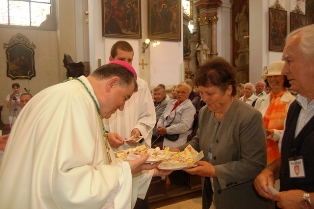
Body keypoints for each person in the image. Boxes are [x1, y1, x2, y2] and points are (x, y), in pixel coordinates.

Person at [0, 61, 171, 209]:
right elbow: (67, 185)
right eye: (125, 98)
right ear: (112, 84)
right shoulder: (73, 103)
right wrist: (126, 170)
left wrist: (147, 172)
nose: (121, 107)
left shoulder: (78, 98)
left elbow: (95, 163)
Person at [172, 57, 272, 209]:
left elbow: (254, 164)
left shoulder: (249, 117)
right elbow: (199, 141)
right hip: (213, 194)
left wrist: (214, 170)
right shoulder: (206, 112)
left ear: (229, 89)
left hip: (241, 199)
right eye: (201, 93)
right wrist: (176, 152)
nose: (205, 99)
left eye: (210, 93)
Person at [254, 24, 314, 209]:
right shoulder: (298, 106)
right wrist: (271, 170)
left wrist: (307, 200)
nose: (284, 71)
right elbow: (291, 155)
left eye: (289, 61)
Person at [104, 41, 156, 150]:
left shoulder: (141, 85)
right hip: (107, 148)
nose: (126, 64)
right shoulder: (102, 84)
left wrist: (139, 130)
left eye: (129, 60)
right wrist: (105, 136)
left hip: (133, 150)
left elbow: (148, 115)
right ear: (111, 59)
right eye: (121, 59)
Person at [255, 61, 295, 165]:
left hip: (282, 154)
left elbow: (294, 132)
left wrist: (274, 134)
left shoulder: (292, 102)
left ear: (284, 77)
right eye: (270, 76)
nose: (272, 79)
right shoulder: (261, 100)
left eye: (276, 76)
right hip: (259, 152)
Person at [156, 82, 196, 148]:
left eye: (183, 92)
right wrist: (159, 127)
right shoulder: (171, 102)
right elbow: (162, 117)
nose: (180, 94)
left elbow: (184, 126)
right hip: (163, 134)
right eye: (178, 92)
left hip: (178, 139)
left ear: (188, 94)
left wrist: (166, 130)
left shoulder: (189, 107)